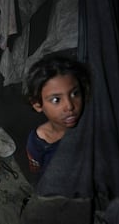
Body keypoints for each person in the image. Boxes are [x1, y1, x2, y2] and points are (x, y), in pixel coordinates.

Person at [25, 56, 91, 186]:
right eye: (56, 100)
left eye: (75, 93)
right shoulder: (38, 142)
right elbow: (37, 171)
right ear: (37, 104)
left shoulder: (91, 128)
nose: (70, 106)